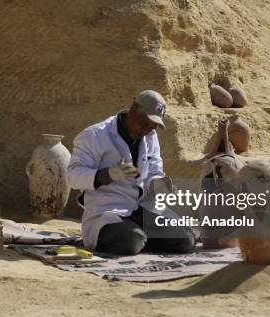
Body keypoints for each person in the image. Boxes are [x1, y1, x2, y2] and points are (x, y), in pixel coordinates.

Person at [67, 90, 196, 255]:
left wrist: (158, 184)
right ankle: (131, 240)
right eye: (144, 123)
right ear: (133, 109)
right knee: (131, 240)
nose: (147, 130)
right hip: (108, 211)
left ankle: (139, 240)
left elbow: (154, 171)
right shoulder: (94, 135)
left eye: (153, 126)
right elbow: (72, 176)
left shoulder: (150, 136)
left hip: (141, 211)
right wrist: (106, 175)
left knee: (185, 240)